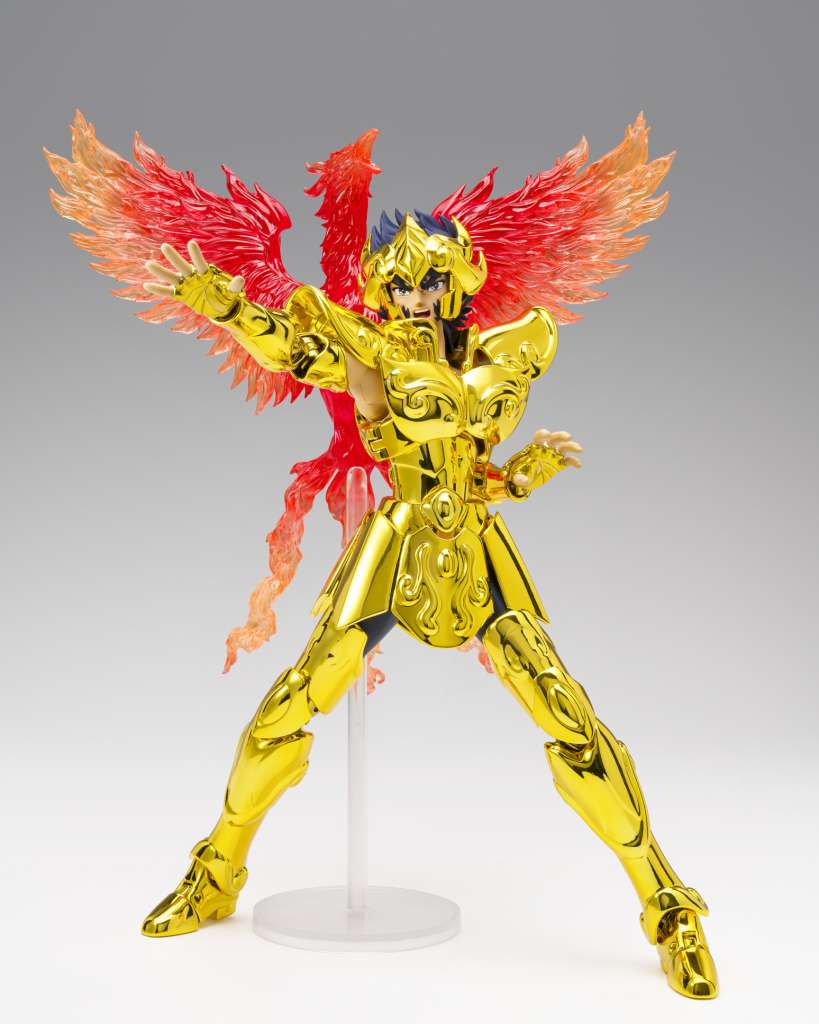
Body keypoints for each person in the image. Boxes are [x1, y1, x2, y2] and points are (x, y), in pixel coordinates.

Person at [138, 214, 718, 1000]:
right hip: (398, 540)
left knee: (570, 719)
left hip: (475, 546)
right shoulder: (369, 352)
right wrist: (229, 308)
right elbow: (293, 349)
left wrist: (520, 477)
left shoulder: (497, 355)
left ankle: (668, 906)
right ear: (384, 289)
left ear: (459, 279)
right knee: (285, 709)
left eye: (432, 279)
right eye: (404, 283)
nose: (417, 296)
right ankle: (215, 874)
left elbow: (475, 473)